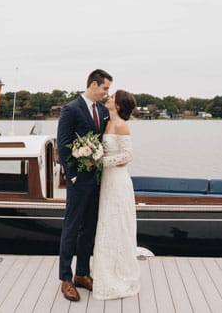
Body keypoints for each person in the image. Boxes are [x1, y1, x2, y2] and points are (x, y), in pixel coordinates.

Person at [57, 69, 112, 302]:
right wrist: (72, 176)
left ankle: (82, 273)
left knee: (89, 228)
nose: (106, 93)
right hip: (78, 181)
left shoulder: (102, 110)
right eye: (105, 88)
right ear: (93, 84)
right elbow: (63, 144)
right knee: (72, 228)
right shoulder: (71, 109)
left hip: (97, 180)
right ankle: (66, 280)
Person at [91, 89, 141, 300]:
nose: (108, 99)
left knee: (118, 224)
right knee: (106, 224)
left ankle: (120, 274)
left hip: (118, 180)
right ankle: (105, 271)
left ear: (118, 105)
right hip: (107, 182)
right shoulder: (106, 122)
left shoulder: (121, 125)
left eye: (112, 98)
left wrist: (101, 162)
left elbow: (128, 155)